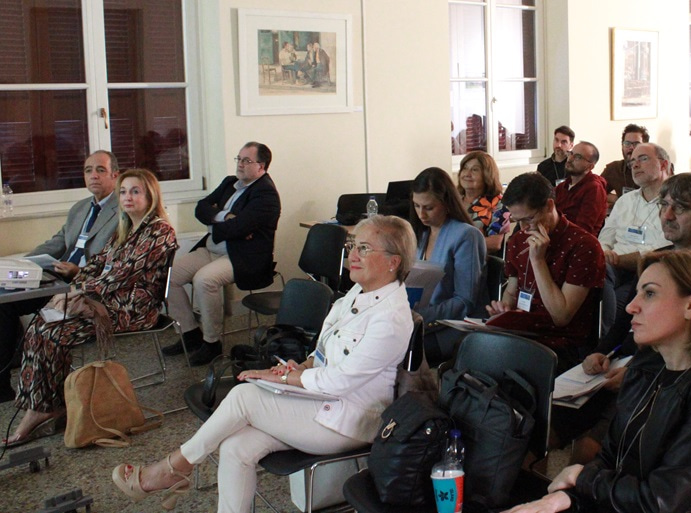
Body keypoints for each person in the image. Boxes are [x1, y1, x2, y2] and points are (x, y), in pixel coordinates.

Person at [112, 215, 416, 513]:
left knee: (244, 397)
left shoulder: (390, 318)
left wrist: (282, 380)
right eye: (352, 245)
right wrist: (299, 367)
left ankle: (173, 468)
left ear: (393, 261)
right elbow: (323, 354)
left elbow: (340, 381)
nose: (353, 255)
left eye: (364, 248)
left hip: (348, 421)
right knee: (236, 447)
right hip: (323, 403)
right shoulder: (357, 293)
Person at [504, 250, 691, 513]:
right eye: (637, 293)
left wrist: (583, 479)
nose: (631, 306)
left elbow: (661, 500)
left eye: (650, 293)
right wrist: (567, 498)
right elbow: (610, 457)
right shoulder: (646, 366)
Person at [3, 169, 177, 447]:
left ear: (151, 196)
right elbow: (96, 264)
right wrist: (71, 289)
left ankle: (44, 410)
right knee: (39, 326)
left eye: (135, 191)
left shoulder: (159, 231)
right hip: (106, 301)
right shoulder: (124, 227)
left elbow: (122, 274)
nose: (127, 197)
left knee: (53, 332)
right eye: (123, 192)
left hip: (134, 310)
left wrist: (79, 292)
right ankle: (47, 405)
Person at [0, 151, 121, 402]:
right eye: (88, 170)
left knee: (7, 306)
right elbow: (56, 243)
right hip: (58, 275)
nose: (93, 175)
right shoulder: (80, 208)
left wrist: (79, 271)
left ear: (115, 175)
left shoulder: (123, 208)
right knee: (4, 301)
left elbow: (115, 260)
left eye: (100, 170)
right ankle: (2, 382)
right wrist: (24, 264)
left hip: (85, 282)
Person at [162, 142, 281, 366]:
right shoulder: (229, 183)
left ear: (261, 166)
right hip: (213, 248)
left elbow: (240, 227)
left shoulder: (266, 194)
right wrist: (225, 217)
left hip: (243, 257)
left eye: (247, 160)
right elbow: (201, 208)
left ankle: (211, 343)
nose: (240, 164)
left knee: (204, 280)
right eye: (239, 159)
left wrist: (215, 223)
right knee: (169, 276)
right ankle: (190, 333)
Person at [486, 172, 604, 370]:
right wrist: (503, 310)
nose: (523, 228)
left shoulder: (584, 246)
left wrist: (538, 260)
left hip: (560, 341)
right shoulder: (517, 240)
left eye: (529, 219)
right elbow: (512, 291)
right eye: (517, 220)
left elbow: (561, 316)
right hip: (522, 332)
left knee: (496, 365)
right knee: (470, 351)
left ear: (549, 206)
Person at [598, 142, 672, 346]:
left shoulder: (673, 204)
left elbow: (661, 252)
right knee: (591, 287)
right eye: (632, 162)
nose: (635, 165)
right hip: (612, 268)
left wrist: (615, 259)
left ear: (663, 164)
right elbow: (605, 238)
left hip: (649, 273)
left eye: (643, 159)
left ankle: (605, 346)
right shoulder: (625, 201)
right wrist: (606, 253)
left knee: (612, 303)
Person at [410, 167, 486, 361]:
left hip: (452, 328)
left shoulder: (466, 235)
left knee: (394, 352)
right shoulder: (423, 234)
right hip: (423, 320)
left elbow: (464, 301)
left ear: (446, 203)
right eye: (416, 206)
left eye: (429, 207)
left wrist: (419, 315)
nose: (421, 214)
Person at [457, 151, 510, 254]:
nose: (467, 174)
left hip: (478, 259)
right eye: (465, 168)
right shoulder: (452, 199)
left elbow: (495, 244)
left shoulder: (498, 203)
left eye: (475, 170)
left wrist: (457, 244)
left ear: (487, 175)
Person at [554, 141, 608, 236]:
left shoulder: (594, 188)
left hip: (577, 241)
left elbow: (583, 229)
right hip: (557, 235)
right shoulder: (563, 186)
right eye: (571, 153)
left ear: (590, 166)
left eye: (578, 157)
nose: (570, 159)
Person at [600, 124, 649, 210]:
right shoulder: (614, 168)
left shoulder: (654, 169)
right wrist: (617, 199)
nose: (631, 148)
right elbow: (597, 192)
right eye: (627, 143)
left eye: (636, 144)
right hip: (624, 215)